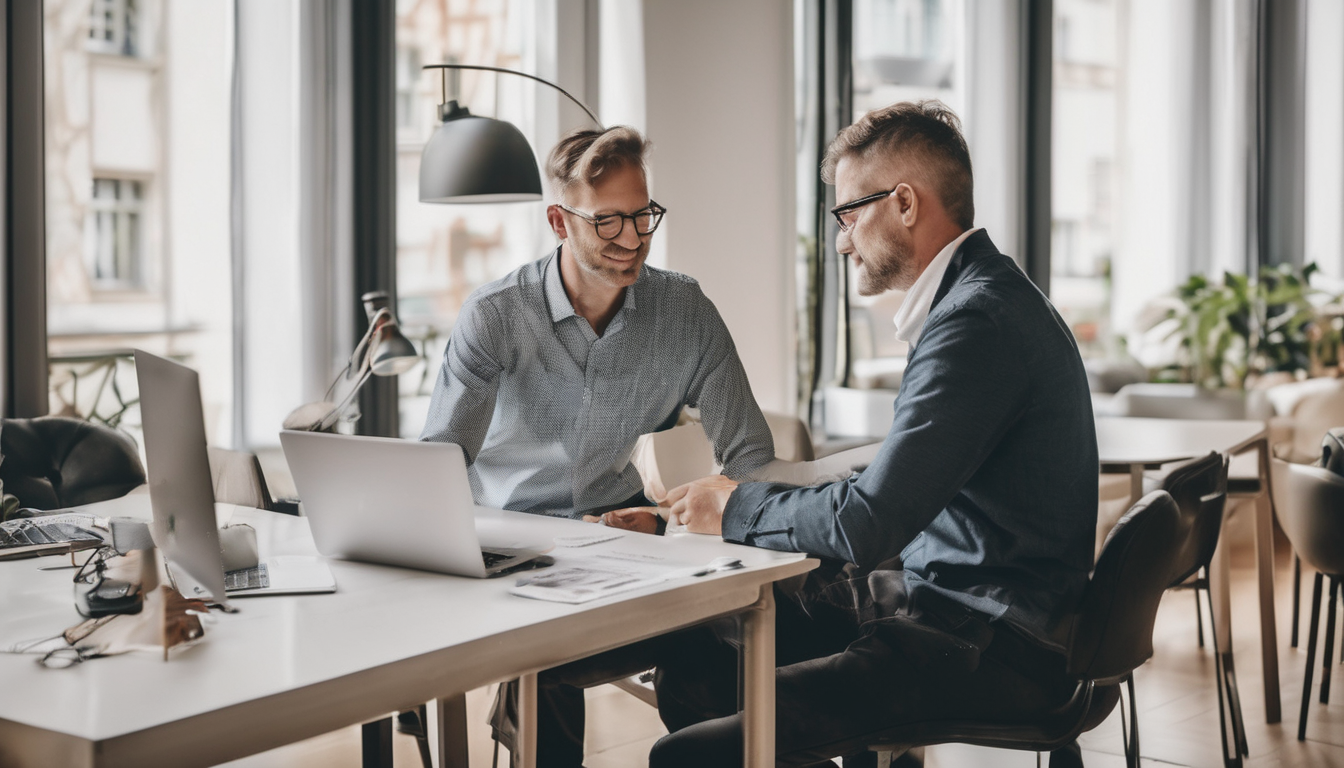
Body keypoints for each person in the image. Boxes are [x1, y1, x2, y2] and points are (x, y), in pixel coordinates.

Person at [649, 100, 1099, 767]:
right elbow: (904, 488)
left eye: (849, 214)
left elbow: (869, 524)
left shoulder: (974, 324)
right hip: (979, 609)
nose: (841, 240)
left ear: (905, 204)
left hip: (988, 639)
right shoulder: (988, 296)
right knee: (694, 662)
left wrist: (735, 506)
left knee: (683, 756)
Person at [420, 125, 776, 767]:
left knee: (708, 642)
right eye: (607, 221)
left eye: (642, 216)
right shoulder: (497, 315)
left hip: (625, 548)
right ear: (560, 221)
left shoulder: (684, 312)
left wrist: (667, 522)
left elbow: (750, 458)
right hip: (515, 550)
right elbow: (440, 466)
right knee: (544, 659)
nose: (632, 240)